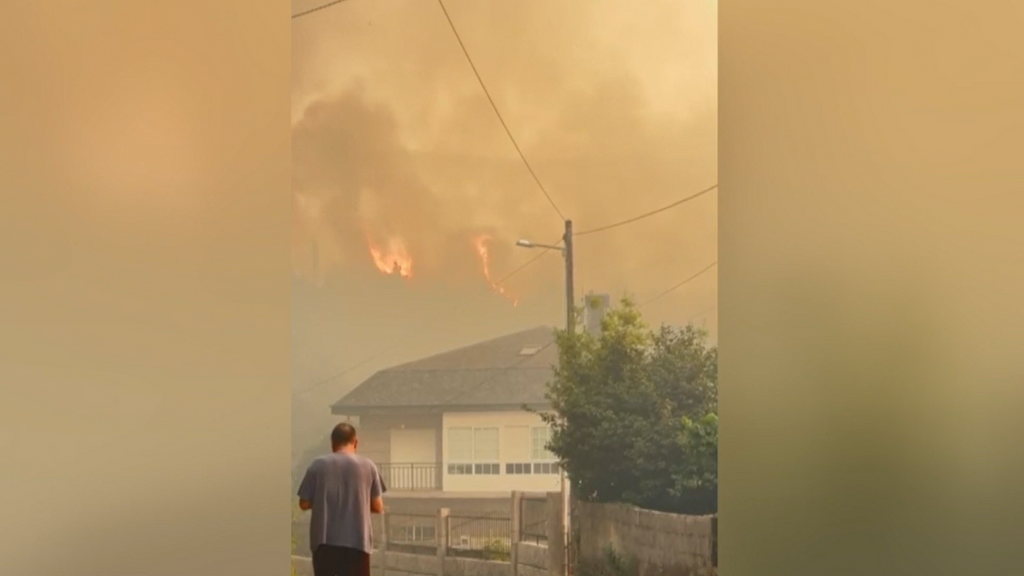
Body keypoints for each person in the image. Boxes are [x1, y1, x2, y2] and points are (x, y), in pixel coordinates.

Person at [298, 423, 385, 576]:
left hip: (324, 543)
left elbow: (304, 503)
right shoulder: (369, 466)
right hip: (358, 543)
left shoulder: (317, 465)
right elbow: (378, 506)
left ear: (332, 443)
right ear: (355, 442)